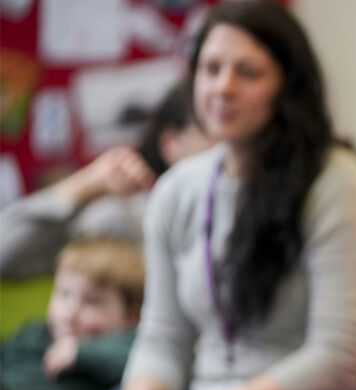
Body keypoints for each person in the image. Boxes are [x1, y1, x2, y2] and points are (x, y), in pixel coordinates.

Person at [92, 2, 356, 390]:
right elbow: (163, 337)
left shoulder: (337, 182)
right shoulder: (178, 190)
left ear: (287, 85)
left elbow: (340, 356)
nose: (222, 88)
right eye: (211, 69)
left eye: (247, 72)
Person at [0, 83, 214, 280]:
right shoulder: (124, 217)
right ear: (171, 143)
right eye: (215, 130)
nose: (232, 148)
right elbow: (5, 252)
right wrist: (85, 185)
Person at [1, 236, 144, 390]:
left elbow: (138, 361)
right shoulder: (34, 334)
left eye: (92, 301)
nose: (71, 312)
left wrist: (81, 353)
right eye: (64, 293)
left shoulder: (124, 347)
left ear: (131, 317)